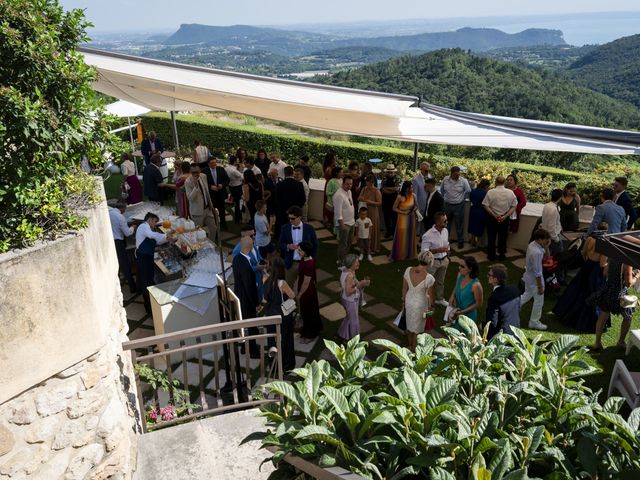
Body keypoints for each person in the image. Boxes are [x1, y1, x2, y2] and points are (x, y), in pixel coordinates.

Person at [553, 227, 607, 332]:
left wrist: (588, 261)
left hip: (586, 266)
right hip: (595, 271)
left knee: (577, 290)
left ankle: (565, 312)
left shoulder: (589, 239)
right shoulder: (603, 245)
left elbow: (583, 252)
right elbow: (602, 263)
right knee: (591, 294)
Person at [591, 258, 637, 352]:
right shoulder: (627, 262)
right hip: (619, 293)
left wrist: (624, 274)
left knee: (603, 314)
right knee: (628, 317)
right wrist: (637, 276)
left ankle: (597, 343)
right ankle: (621, 342)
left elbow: (605, 272)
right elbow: (628, 283)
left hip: (608, 289)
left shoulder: (613, 258)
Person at [263, 257, 296, 371]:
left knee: (272, 340)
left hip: (270, 313)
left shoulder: (265, 279)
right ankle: (285, 365)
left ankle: (273, 365)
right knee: (285, 340)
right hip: (282, 315)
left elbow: (265, 299)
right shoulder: (282, 283)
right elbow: (292, 295)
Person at [136, 212, 172, 313]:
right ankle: (148, 308)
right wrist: (166, 235)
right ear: (150, 219)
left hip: (147, 258)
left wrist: (167, 238)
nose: (155, 224)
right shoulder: (144, 227)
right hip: (143, 259)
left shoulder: (147, 229)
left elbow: (157, 241)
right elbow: (152, 236)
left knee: (148, 280)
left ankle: (150, 305)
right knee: (146, 282)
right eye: (155, 222)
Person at [232, 236, 261, 358]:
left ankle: (244, 347)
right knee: (251, 326)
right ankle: (253, 351)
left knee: (244, 324)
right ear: (250, 248)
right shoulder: (245, 264)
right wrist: (256, 303)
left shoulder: (237, 258)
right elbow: (249, 287)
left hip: (239, 295)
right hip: (246, 300)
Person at [402, 250, 436, 351]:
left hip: (409, 301)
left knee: (409, 325)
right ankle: (414, 349)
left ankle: (410, 345)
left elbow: (404, 288)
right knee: (417, 330)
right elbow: (431, 296)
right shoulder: (429, 278)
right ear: (430, 262)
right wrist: (431, 307)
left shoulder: (408, 270)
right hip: (421, 305)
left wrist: (404, 301)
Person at [279, 206, 318, 288]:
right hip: (291, 263)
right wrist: (288, 246)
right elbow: (281, 243)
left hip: (305, 262)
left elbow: (315, 244)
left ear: (299, 217)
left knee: (306, 286)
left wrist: (312, 258)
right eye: (289, 218)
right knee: (288, 287)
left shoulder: (309, 229)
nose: (290, 220)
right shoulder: (285, 228)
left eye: (292, 218)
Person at [521, 228, 551, 331]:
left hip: (528, 277)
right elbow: (538, 272)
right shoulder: (537, 252)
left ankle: (512, 308)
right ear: (539, 239)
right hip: (534, 280)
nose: (547, 241)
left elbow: (547, 257)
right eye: (545, 240)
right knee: (539, 301)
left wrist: (546, 246)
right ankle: (534, 322)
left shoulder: (532, 245)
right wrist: (540, 286)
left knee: (527, 295)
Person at [483, 175, 517, 261]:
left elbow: (486, 206)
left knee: (491, 237)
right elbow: (514, 206)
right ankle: (502, 255)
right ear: (504, 182)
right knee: (503, 238)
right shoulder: (510, 193)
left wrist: (495, 215)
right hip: (504, 218)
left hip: (492, 218)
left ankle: (491, 256)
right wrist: (505, 216)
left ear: (495, 182)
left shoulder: (490, 192)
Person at [338, 254, 370, 341]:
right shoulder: (350, 275)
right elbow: (348, 292)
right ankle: (354, 341)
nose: (358, 263)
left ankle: (342, 334)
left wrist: (360, 283)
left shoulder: (347, 270)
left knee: (349, 317)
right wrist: (360, 285)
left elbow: (351, 284)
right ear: (351, 263)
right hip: (350, 300)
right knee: (354, 321)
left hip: (345, 299)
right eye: (357, 262)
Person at [421, 211, 450, 306]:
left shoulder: (445, 231)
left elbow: (447, 244)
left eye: (446, 220)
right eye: (445, 221)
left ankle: (439, 299)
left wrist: (447, 252)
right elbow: (424, 251)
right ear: (438, 222)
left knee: (440, 281)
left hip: (444, 260)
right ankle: (424, 299)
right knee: (427, 282)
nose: (447, 222)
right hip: (433, 262)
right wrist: (438, 250)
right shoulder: (427, 235)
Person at [296, 240, 323, 342]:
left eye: (300, 250)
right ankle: (307, 331)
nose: (298, 252)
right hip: (304, 287)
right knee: (305, 312)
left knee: (308, 312)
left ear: (306, 251)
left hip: (307, 291)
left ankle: (311, 335)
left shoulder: (309, 264)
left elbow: (306, 283)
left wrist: (299, 294)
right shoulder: (304, 259)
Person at [485, 264, 521, 338]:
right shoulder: (514, 290)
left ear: (495, 279)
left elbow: (493, 323)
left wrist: (482, 326)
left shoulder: (494, 298)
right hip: (516, 332)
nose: (487, 276)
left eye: (489, 274)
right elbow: (518, 309)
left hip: (502, 336)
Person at [232, 224, 266, 302]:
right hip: (249, 282)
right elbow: (241, 271)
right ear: (243, 237)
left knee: (259, 298)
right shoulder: (237, 251)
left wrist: (263, 263)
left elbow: (258, 257)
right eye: (251, 236)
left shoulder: (252, 243)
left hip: (258, 279)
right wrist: (256, 268)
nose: (254, 237)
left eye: (254, 234)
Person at [185, 163, 218, 242]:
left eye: (197, 172)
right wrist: (196, 187)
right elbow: (190, 198)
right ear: (190, 172)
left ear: (200, 170)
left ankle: (211, 245)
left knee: (214, 229)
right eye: (193, 173)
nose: (196, 174)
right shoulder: (188, 182)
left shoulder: (203, 176)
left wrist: (211, 205)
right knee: (197, 232)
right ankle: (199, 247)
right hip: (197, 212)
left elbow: (206, 192)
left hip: (207, 208)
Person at [109, 199, 136, 294]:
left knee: (121, 263)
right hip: (118, 242)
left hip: (111, 240)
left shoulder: (110, 212)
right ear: (123, 208)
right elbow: (128, 233)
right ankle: (132, 286)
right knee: (125, 265)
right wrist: (133, 226)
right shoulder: (120, 217)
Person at [440, 166, 471, 249]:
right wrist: (444, 198)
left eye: (459, 174)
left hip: (459, 205)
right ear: (451, 173)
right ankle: (445, 241)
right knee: (446, 224)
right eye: (456, 174)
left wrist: (463, 198)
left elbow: (468, 191)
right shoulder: (445, 179)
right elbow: (442, 190)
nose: (458, 176)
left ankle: (460, 241)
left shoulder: (463, 180)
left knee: (459, 224)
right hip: (447, 205)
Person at [448, 256, 483, 323]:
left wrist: (461, 312)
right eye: (459, 265)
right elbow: (456, 286)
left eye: (462, 266)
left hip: (468, 317)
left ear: (470, 269)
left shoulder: (476, 285)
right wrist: (452, 296)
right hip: (456, 312)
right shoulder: (460, 275)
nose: (459, 268)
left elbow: (478, 304)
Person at [275, 166, 306, 239]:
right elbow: (303, 199)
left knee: (283, 227)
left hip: (283, 211)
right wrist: (297, 209)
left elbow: (276, 200)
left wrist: (282, 209)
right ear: (292, 173)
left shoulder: (279, 185)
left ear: (284, 174)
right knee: (295, 226)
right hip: (295, 212)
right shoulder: (299, 184)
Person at [390, 181, 417, 261]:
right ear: (406, 188)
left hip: (411, 218)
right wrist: (403, 212)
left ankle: (410, 254)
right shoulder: (399, 197)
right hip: (402, 218)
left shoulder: (413, 196)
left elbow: (416, 206)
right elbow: (394, 208)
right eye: (410, 187)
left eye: (412, 187)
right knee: (401, 236)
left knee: (410, 235)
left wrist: (414, 209)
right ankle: (400, 254)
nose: (412, 189)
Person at [334, 176, 356, 266]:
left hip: (351, 222)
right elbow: (337, 213)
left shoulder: (349, 192)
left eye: (351, 184)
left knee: (349, 242)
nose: (349, 186)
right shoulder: (339, 195)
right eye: (347, 184)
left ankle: (345, 259)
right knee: (343, 244)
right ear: (342, 183)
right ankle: (340, 262)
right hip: (344, 224)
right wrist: (343, 226)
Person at [358, 174, 382, 254]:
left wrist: (369, 201)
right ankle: (363, 246)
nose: (369, 184)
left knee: (371, 229)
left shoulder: (376, 190)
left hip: (373, 211)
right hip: (364, 211)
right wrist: (361, 198)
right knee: (363, 229)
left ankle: (372, 247)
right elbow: (359, 198)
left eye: (371, 183)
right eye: (368, 182)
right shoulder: (364, 188)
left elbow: (379, 203)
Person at [204, 157, 230, 229]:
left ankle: (223, 224)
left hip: (220, 193)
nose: (214, 164)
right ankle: (214, 225)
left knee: (222, 209)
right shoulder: (204, 171)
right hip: (211, 194)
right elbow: (203, 183)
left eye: (215, 162)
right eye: (212, 163)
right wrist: (210, 187)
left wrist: (222, 185)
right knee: (212, 210)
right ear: (208, 163)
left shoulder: (221, 169)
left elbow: (227, 180)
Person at [541, 189, 564, 257]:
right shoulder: (553, 209)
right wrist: (556, 239)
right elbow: (551, 228)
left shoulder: (546, 205)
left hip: (546, 234)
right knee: (556, 255)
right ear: (560, 198)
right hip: (552, 237)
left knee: (548, 255)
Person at [468, 178, 490, 247]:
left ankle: (472, 242)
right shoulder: (485, 193)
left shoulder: (473, 191)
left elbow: (470, 199)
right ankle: (478, 244)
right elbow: (487, 203)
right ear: (486, 186)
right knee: (480, 227)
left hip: (473, 210)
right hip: (481, 211)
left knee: (473, 226)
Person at [412, 162, 432, 235]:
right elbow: (414, 195)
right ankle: (415, 241)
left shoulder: (430, 177)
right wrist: (416, 207)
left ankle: (423, 239)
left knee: (426, 225)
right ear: (421, 170)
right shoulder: (416, 180)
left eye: (429, 170)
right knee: (417, 225)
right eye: (426, 171)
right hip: (419, 207)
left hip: (428, 206)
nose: (428, 172)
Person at [381, 164, 399, 239]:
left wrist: (388, 189)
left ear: (394, 172)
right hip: (385, 201)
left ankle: (394, 231)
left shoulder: (397, 178)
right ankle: (388, 231)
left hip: (395, 201)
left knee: (394, 217)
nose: (390, 173)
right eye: (388, 172)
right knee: (386, 217)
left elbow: (397, 189)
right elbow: (383, 190)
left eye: (391, 172)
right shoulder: (384, 178)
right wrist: (393, 189)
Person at [226, 156, 245, 224]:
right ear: (234, 162)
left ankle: (239, 216)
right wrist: (242, 169)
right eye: (236, 161)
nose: (238, 162)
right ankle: (238, 218)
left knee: (237, 202)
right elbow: (242, 177)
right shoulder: (234, 170)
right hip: (237, 187)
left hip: (231, 186)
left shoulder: (227, 168)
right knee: (239, 202)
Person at [322, 151, 338, 225]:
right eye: (334, 157)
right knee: (329, 201)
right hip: (330, 185)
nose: (335, 158)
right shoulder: (329, 168)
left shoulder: (331, 167)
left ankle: (330, 219)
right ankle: (328, 219)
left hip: (331, 184)